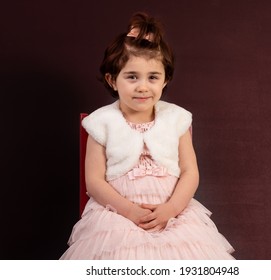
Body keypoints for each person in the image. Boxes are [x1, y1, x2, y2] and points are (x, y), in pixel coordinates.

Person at [60, 12, 234, 260]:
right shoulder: (101, 122)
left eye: (153, 77)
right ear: (112, 80)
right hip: (118, 214)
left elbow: (190, 172)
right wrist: (129, 211)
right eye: (132, 77)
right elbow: (95, 181)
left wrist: (171, 209)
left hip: (172, 213)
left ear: (165, 81)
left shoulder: (176, 119)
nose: (143, 86)